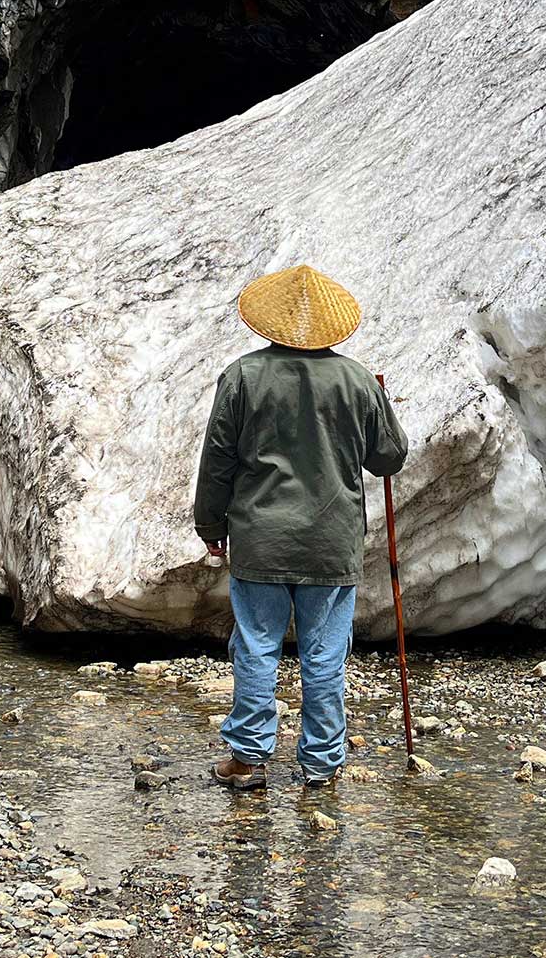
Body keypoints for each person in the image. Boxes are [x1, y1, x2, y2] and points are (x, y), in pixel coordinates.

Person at [194, 264, 408, 790]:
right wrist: (377, 404)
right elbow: (388, 459)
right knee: (324, 655)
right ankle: (321, 763)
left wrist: (209, 522)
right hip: (331, 544)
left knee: (257, 647)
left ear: (270, 322)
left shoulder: (242, 376)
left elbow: (218, 458)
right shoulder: (357, 380)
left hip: (261, 538)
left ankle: (248, 759)